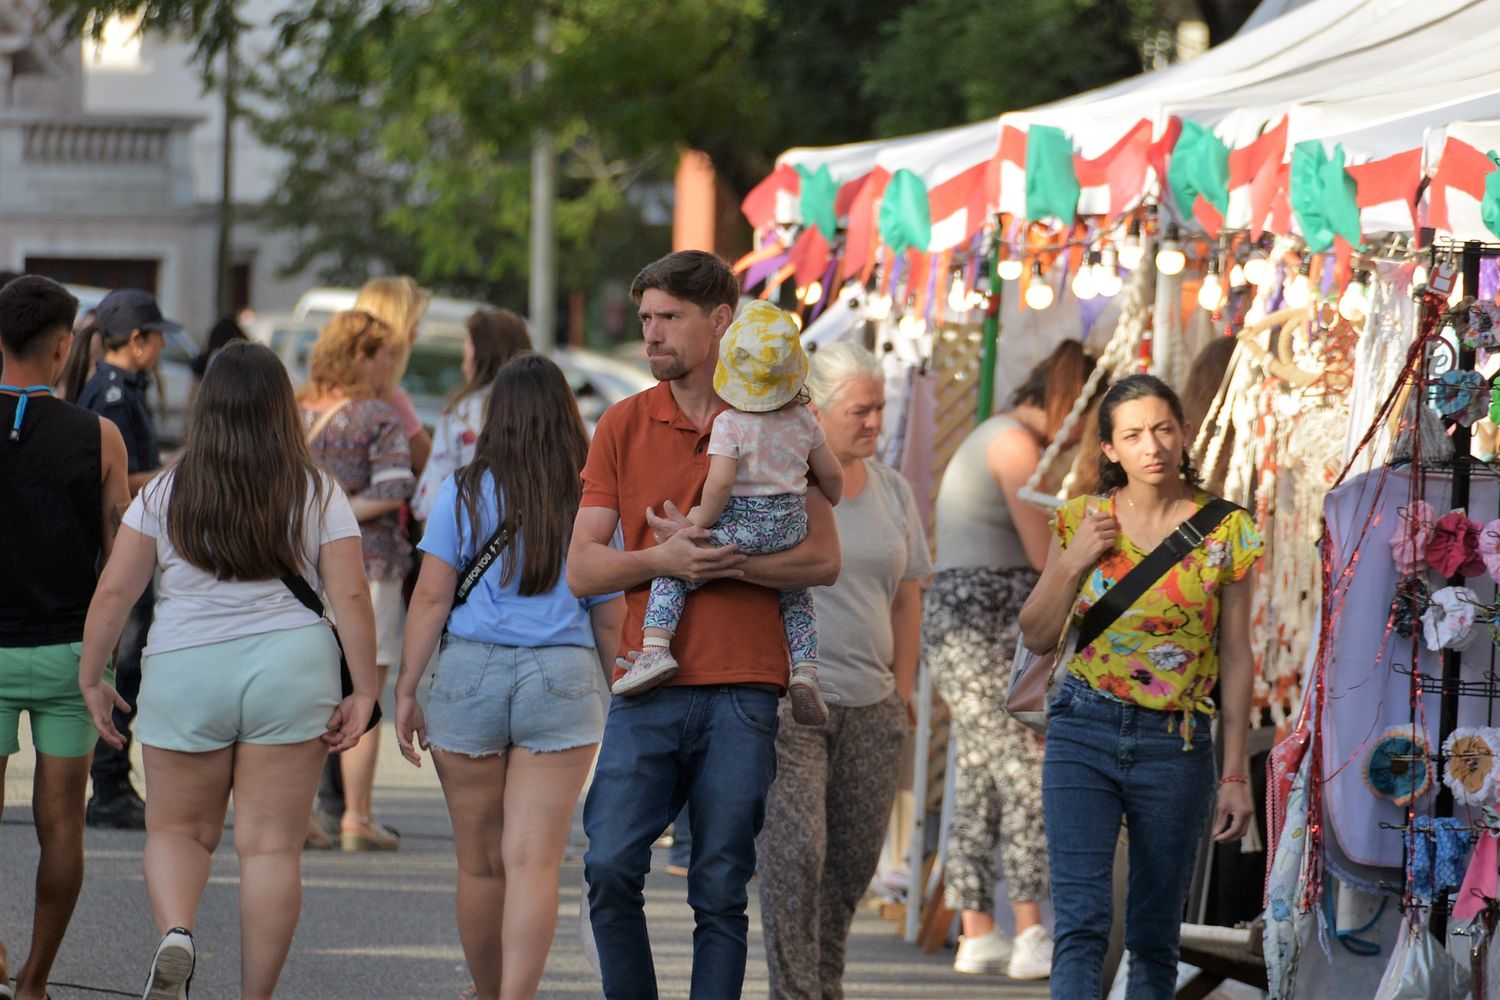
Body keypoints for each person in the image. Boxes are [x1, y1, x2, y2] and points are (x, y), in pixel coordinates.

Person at [567, 250, 840, 1000]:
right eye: (647, 319)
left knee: (720, 886)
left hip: (744, 691)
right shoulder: (623, 423)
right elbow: (584, 569)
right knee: (609, 864)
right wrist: (665, 558)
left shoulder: (783, 415)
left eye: (669, 319)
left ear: (721, 320)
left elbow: (823, 558)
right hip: (645, 684)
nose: (651, 335)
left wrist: (720, 564)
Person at [76, 340, 379, 1000]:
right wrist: (366, 690)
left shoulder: (164, 492)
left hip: (186, 669)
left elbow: (114, 593)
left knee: (179, 831)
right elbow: (351, 595)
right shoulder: (318, 490)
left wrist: (92, 676)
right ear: (281, 410)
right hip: (292, 669)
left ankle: (179, 932)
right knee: (271, 849)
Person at [1017, 373, 1261, 1000]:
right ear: (1110, 450)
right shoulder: (1079, 522)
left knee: (1155, 934)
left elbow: (1236, 655)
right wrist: (1073, 562)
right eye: (1132, 434)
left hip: (1176, 744)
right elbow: (1039, 633)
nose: (1151, 445)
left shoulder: (1225, 529)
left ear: (1183, 435)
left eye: (1162, 429)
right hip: (1083, 728)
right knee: (1081, 924)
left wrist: (1235, 772)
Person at [395, 352, 624, 1000]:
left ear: (495, 418)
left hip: (469, 672)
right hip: (564, 675)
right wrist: (623, 699)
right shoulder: (591, 497)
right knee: (533, 863)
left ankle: (488, 989)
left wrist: (408, 688)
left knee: (479, 861)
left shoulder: (462, 491)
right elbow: (611, 618)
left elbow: (431, 599)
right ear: (566, 418)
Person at [756, 341, 930, 999]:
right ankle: (795, 992)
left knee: (850, 869)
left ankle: (824, 984)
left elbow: (909, 589)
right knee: (796, 861)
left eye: (880, 408)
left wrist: (904, 685)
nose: (874, 422)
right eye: (860, 410)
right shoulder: (780, 486)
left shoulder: (891, 488)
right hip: (794, 704)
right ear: (813, 412)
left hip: (873, 706)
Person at [924, 340, 1095, 980]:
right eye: (1086, 417)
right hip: (979, 627)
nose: (1083, 435)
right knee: (1026, 763)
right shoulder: (1015, 445)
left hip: (971, 624)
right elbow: (1041, 553)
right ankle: (1029, 928)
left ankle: (976, 928)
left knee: (980, 771)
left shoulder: (998, 436)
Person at [611, 300, 842, 729]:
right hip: (790, 524)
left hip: (744, 525)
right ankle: (806, 667)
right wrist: (833, 494)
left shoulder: (731, 424)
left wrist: (696, 522)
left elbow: (718, 486)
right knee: (796, 595)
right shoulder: (804, 422)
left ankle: (656, 649)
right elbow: (831, 474)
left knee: (675, 565)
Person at [0, 276, 129, 1000]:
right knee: (61, 829)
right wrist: (108, 657)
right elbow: (120, 563)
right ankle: (36, 983)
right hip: (67, 660)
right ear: (62, 346)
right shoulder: (99, 435)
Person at [299, 310, 415, 852]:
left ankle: (302, 814)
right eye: (386, 354)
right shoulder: (376, 415)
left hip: (302, 572)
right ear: (363, 357)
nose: (392, 366)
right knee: (366, 688)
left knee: (312, 689)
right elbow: (395, 487)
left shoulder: (297, 409)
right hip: (370, 564)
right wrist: (338, 510)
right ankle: (358, 816)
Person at [76, 288, 180, 831]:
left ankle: (114, 776)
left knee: (131, 663)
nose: (164, 345)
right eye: (157, 334)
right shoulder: (113, 395)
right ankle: (110, 779)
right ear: (136, 340)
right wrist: (177, 468)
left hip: (129, 545)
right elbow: (117, 482)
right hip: (121, 547)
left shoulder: (122, 387)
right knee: (125, 662)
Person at [411, 308, 532, 521]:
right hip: (535, 532)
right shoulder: (539, 409)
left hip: (471, 534)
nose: (463, 363)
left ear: (481, 355)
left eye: (467, 350)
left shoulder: (460, 414)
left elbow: (432, 498)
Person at [354, 275, 433, 475]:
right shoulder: (390, 399)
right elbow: (434, 468)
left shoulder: (331, 387)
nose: (415, 335)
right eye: (414, 325)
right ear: (400, 331)